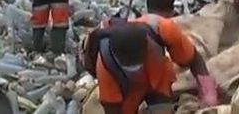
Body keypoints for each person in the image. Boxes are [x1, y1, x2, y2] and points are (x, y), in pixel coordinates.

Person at [80, 14, 218, 114]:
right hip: (126, 87)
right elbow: (112, 108)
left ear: (146, 45)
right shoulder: (105, 64)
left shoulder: (163, 29)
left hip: (157, 76)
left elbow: (193, 59)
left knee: (162, 110)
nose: (136, 69)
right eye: (130, 66)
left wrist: (208, 92)